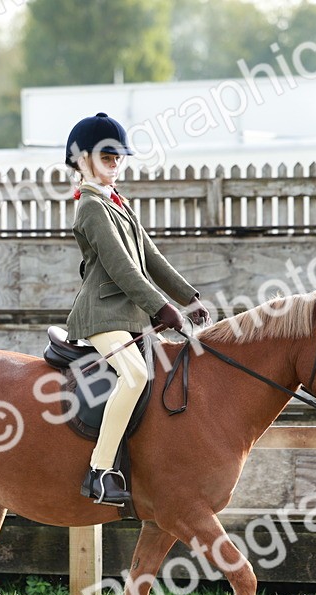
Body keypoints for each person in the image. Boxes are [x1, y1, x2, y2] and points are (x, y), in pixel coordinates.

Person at [63, 112, 211, 507]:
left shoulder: (118, 204)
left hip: (129, 316)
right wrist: (164, 309)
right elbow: (123, 269)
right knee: (135, 375)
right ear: (83, 161)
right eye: (107, 157)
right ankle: (98, 472)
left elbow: (151, 256)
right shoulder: (91, 208)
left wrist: (188, 298)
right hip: (101, 315)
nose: (116, 164)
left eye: (119, 158)